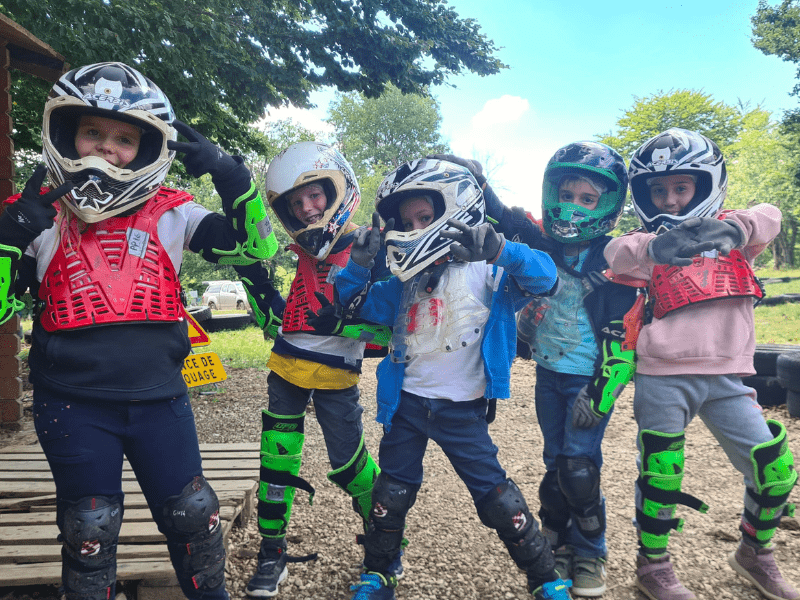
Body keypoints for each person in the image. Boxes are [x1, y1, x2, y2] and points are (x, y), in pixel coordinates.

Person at [0, 62, 278, 600]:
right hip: (73, 406)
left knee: (196, 518)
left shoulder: (174, 213)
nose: (106, 148)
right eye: (92, 132)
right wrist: (9, 237)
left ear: (146, 146)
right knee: (90, 529)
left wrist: (230, 174)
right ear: (66, 134)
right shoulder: (33, 215)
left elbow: (258, 247)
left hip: (161, 400)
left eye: (124, 139)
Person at [328, 157, 572, 600]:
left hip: (463, 410)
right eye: (407, 221)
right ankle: (379, 572)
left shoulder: (493, 274)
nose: (414, 226)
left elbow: (546, 277)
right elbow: (356, 305)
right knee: (390, 495)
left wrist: (501, 250)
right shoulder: (404, 283)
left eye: (425, 216)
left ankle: (545, 577)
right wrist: (357, 267)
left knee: (499, 499)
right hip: (408, 406)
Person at [603, 127, 798, 600]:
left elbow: (771, 216)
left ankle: (755, 552)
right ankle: (653, 566)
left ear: (706, 185)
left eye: (681, 187)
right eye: (659, 190)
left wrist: (736, 228)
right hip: (663, 376)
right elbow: (615, 254)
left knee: (775, 469)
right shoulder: (647, 243)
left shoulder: (735, 232)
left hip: (727, 378)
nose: (670, 199)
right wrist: (654, 248)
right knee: (661, 473)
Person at [438, 143, 638, 597]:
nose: (573, 205)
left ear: (607, 204)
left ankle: (591, 550)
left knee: (580, 466)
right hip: (550, 371)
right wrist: (479, 181)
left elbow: (627, 331)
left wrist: (604, 389)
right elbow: (508, 221)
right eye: (566, 194)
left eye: (587, 199)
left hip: (592, 377)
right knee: (556, 463)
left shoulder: (615, 258)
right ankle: (559, 536)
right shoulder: (544, 242)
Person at [237, 141, 396, 598]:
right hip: (285, 366)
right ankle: (272, 553)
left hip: (336, 377)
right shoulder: (302, 251)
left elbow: (387, 332)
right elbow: (257, 255)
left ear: (337, 189)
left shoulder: (370, 248)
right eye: (297, 202)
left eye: (315, 196)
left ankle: (385, 548)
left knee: (350, 466)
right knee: (276, 462)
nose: (308, 209)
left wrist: (349, 318)